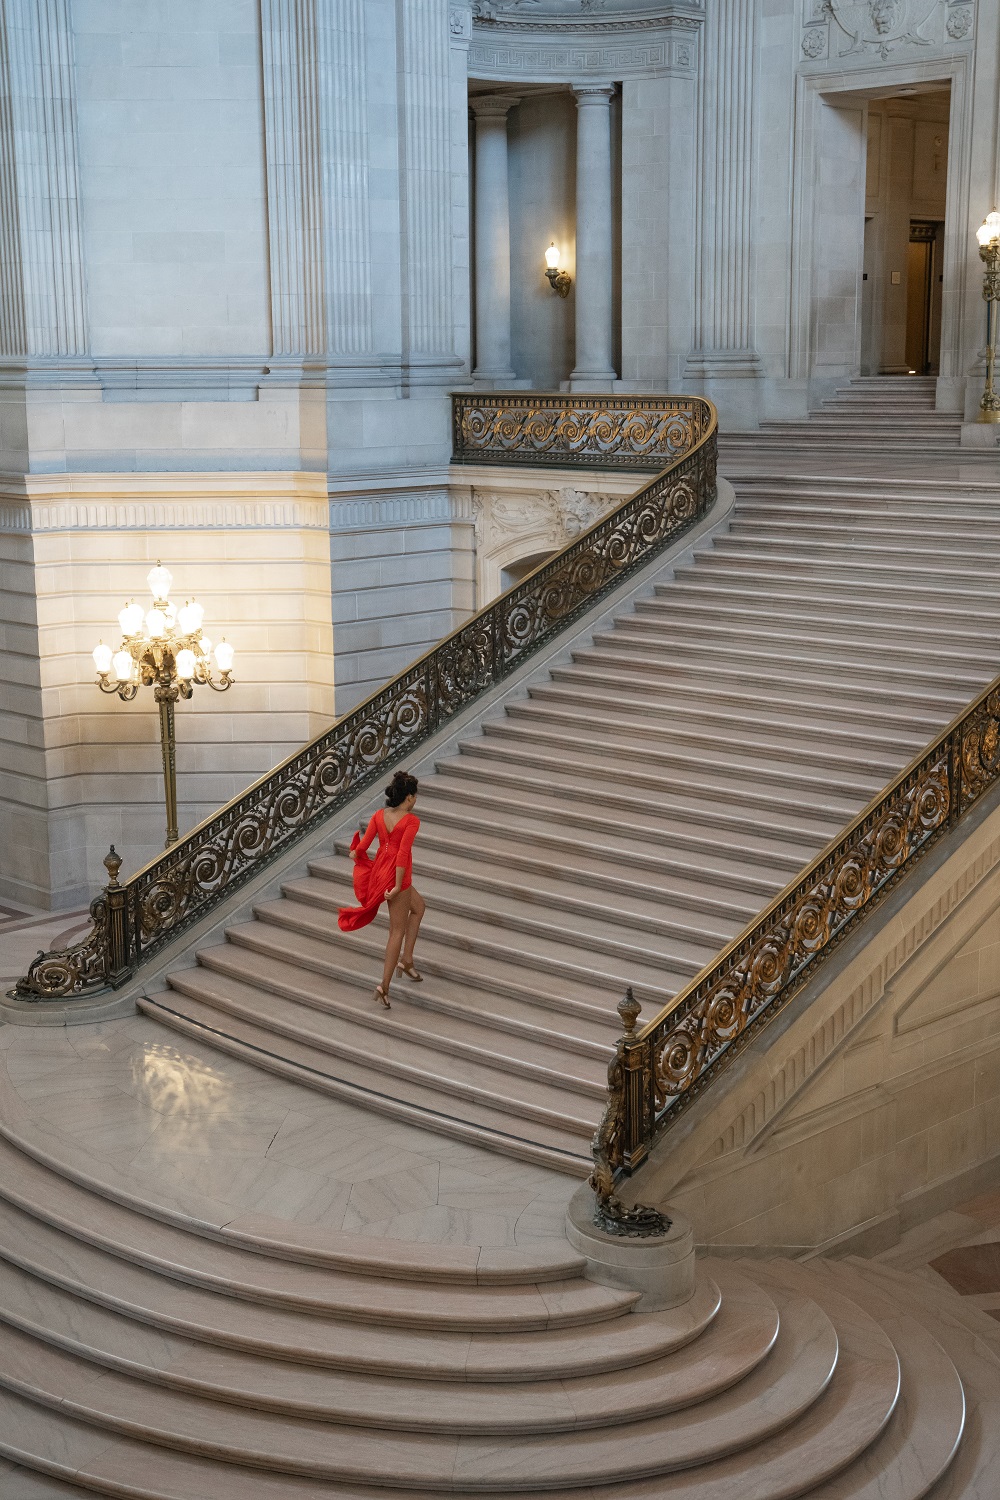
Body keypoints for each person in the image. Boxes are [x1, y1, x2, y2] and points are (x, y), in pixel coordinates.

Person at [337, 770, 425, 1009]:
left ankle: (406, 961)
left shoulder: (379, 815)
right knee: (396, 931)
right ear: (408, 797)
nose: (416, 800)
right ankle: (384, 986)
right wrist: (397, 886)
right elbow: (402, 855)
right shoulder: (411, 821)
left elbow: (363, 846)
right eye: (415, 796)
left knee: (419, 908)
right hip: (398, 877)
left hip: (379, 872)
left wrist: (355, 853)